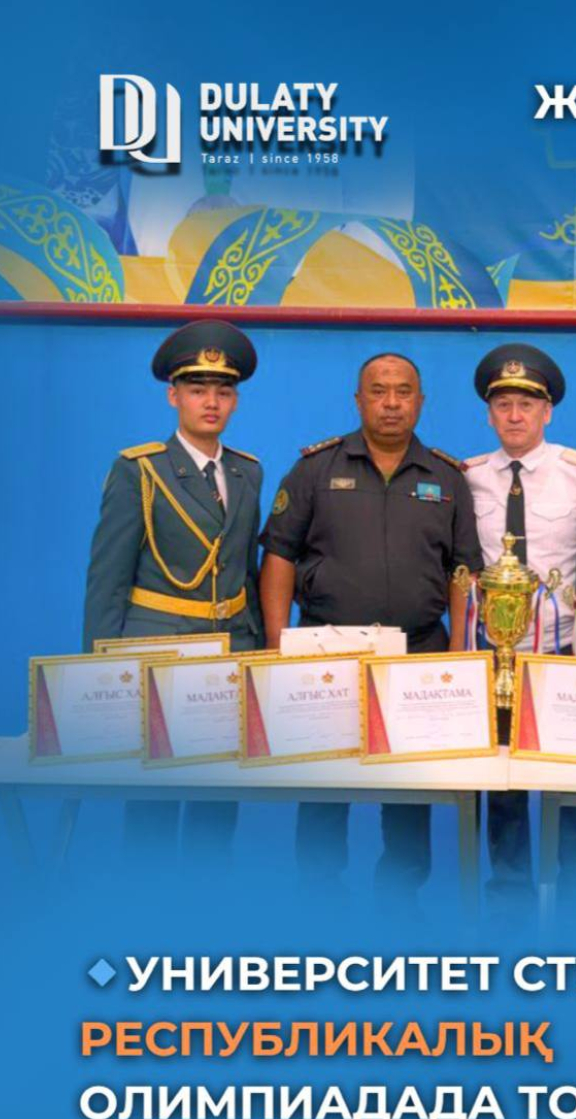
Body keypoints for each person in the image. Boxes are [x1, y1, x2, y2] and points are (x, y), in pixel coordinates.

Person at [259, 353, 483, 908]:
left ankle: (399, 903)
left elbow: (463, 571)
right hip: (326, 651)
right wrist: (275, 645)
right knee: (323, 784)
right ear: (358, 400)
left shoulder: (447, 478)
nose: (391, 403)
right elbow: (279, 555)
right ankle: (320, 902)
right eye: (378, 391)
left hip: (418, 652)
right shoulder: (315, 470)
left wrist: (458, 653)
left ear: (420, 402)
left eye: (403, 392)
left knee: (409, 788)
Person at [83, 319, 264, 865]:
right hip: (157, 646)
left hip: (230, 648)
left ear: (235, 401)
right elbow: (108, 577)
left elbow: (245, 571)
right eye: (197, 389)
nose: (211, 402)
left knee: (220, 795)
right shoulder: (140, 470)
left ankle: (207, 900)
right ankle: (149, 902)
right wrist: (100, 671)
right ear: (173, 396)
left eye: (223, 392)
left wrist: (256, 650)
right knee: (154, 800)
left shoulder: (247, 472)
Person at [463, 344, 576, 914]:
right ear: (489, 414)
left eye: (527, 404)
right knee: (501, 783)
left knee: (572, 782)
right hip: (492, 651)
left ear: (548, 411)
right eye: (503, 405)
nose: (515, 416)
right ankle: (509, 897)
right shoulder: (468, 477)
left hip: (562, 648)